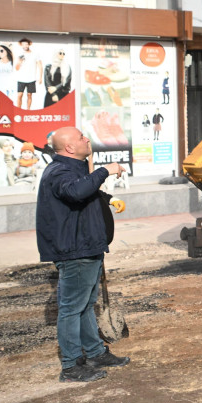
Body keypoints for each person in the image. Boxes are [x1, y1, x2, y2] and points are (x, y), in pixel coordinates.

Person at [36, 126, 130, 383]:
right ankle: (70, 366)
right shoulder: (59, 171)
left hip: (86, 246)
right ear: (69, 147)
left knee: (86, 306)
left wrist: (107, 199)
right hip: (74, 250)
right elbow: (74, 191)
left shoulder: (72, 169)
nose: (86, 139)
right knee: (71, 309)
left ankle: (95, 353)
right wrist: (105, 170)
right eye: (80, 137)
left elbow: (83, 191)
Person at [15, 37, 42, 110]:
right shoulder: (19, 54)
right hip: (21, 78)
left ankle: (28, 110)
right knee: (19, 95)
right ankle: (19, 109)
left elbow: (40, 65)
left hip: (31, 78)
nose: (25, 46)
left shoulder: (35, 54)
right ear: (21, 45)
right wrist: (19, 62)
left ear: (29, 44)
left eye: (26, 44)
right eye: (23, 44)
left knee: (29, 95)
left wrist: (40, 77)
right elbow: (16, 68)